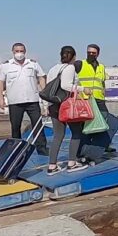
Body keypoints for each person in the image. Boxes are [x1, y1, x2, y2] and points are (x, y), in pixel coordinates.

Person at [0, 43, 48, 155]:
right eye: (17, 51)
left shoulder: (33, 64)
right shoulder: (6, 66)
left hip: (32, 100)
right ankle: (16, 149)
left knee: (37, 125)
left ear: (25, 51)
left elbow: (41, 77)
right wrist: (0, 99)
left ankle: (41, 148)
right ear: (13, 52)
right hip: (15, 101)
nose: (19, 53)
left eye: (21, 51)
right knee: (15, 126)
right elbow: (0, 82)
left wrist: (45, 94)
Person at [44, 46, 90, 175]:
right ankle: (72, 163)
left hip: (53, 104)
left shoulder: (53, 68)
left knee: (58, 135)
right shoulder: (70, 68)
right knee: (76, 132)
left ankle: (52, 165)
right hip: (66, 105)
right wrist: (82, 89)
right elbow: (65, 85)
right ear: (74, 56)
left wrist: (46, 105)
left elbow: (49, 87)